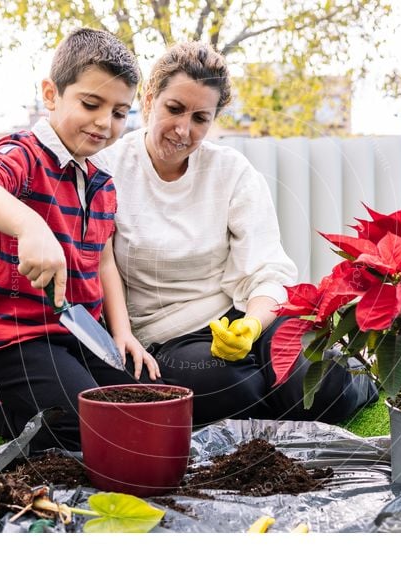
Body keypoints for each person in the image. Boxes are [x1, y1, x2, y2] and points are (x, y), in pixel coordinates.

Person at [89, 42, 378, 427]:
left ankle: (351, 380)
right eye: (174, 109)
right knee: (230, 390)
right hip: (170, 337)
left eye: (200, 118)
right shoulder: (108, 168)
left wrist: (253, 324)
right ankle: (280, 397)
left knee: (324, 384)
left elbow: (267, 269)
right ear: (149, 99)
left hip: (244, 316)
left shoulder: (230, 171)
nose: (183, 130)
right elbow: (98, 265)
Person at [0, 28, 159, 451]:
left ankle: (20, 399)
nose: (104, 123)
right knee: (85, 432)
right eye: (91, 104)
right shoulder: (21, 153)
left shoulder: (102, 182)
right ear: (51, 94)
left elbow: (103, 261)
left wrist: (123, 332)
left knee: (149, 410)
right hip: (13, 338)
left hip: (79, 335)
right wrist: (31, 226)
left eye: (119, 112)